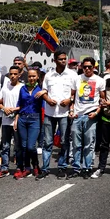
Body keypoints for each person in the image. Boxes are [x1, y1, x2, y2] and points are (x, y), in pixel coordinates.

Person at [40, 50, 76, 180]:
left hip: (64, 113)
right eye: (60, 59)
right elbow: (44, 91)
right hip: (50, 114)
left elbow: (75, 93)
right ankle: (45, 168)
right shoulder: (49, 75)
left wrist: (69, 100)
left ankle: (62, 167)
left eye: (64, 59)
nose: (63, 61)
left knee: (63, 141)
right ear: (55, 60)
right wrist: (47, 99)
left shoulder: (72, 75)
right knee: (47, 142)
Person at [69, 57, 104, 179]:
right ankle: (76, 168)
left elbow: (102, 100)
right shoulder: (77, 79)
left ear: (94, 67)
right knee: (76, 144)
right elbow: (72, 97)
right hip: (78, 116)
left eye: (90, 67)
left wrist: (97, 112)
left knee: (89, 144)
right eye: (85, 67)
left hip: (91, 115)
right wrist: (72, 110)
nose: (87, 69)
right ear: (82, 67)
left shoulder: (99, 81)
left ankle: (87, 167)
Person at [14, 68, 45, 179]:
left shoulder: (40, 89)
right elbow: (20, 104)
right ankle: (27, 168)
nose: (31, 78)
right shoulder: (23, 88)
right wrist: (16, 118)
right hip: (22, 118)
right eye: (29, 76)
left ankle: (36, 165)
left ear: (37, 77)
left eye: (33, 76)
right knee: (23, 146)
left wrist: (45, 91)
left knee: (31, 146)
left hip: (34, 119)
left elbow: (47, 101)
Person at [0, 65, 23, 179]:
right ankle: (4, 168)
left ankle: (19, 168)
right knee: (5, 146)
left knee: (18, 146)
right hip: (6, 121)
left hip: (17, 120)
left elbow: (25, 104)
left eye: (15, 74)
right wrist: (4, 108)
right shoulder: (5, 87)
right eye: (11, 74)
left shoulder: (22, 87)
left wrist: (14, 110)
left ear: (19, 75)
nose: (12, 76)